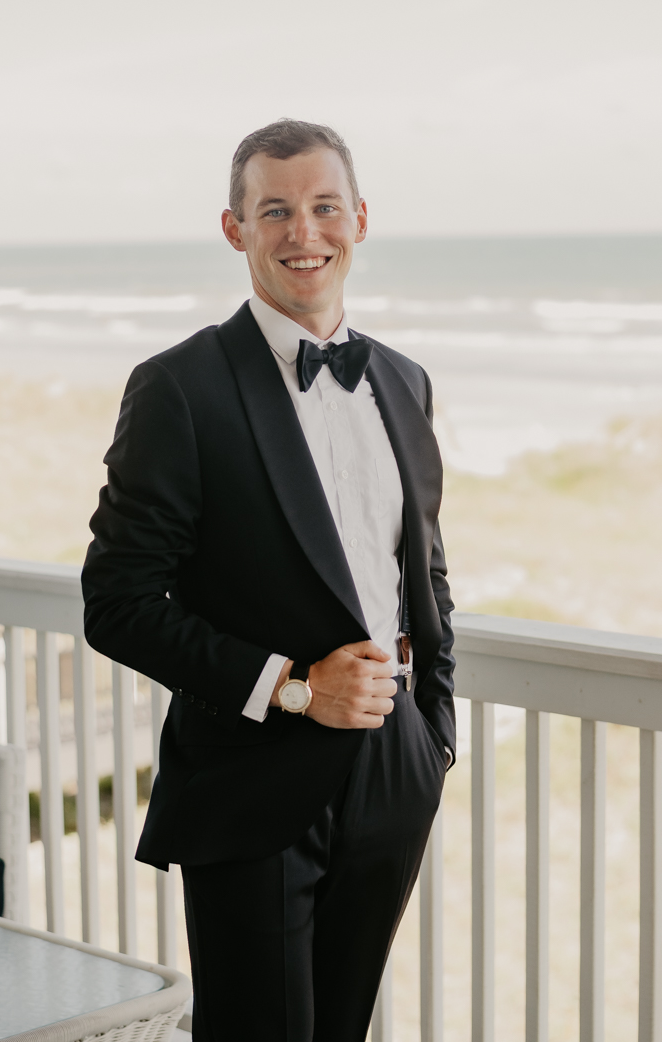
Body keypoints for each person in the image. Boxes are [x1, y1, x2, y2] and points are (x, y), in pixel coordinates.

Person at [82, 118, 455, 1042]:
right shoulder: (178, 388)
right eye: (276, 210)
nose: (304, 232)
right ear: (234, 227)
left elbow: (426, 574)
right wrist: (291, 690)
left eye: (325, 207)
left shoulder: (404, 381)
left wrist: (432, 737)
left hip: (392, 772)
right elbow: (118, 604)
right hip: (249, 784)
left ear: (360, 219)